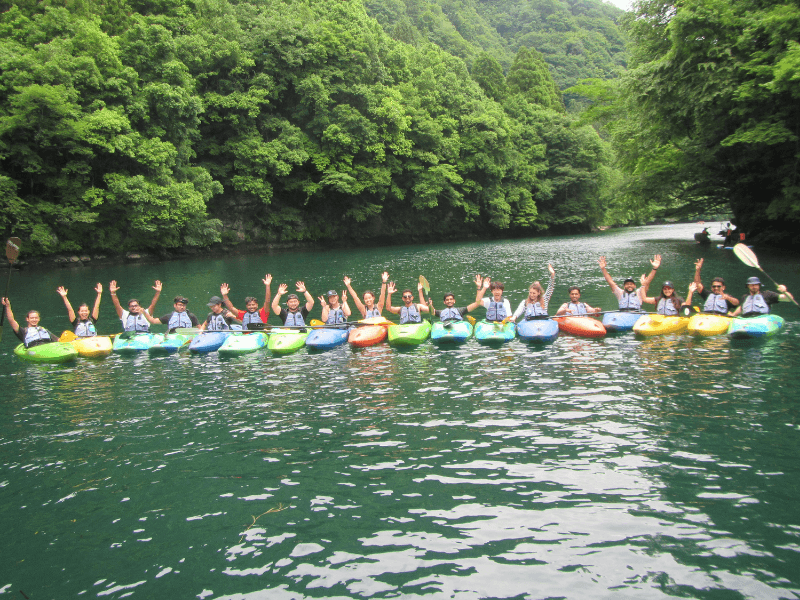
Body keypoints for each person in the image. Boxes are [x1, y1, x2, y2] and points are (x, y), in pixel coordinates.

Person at [730, 277, 794, 317]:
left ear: (759, 286)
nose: (754, 287)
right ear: (748, 286)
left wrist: (784, 291)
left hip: (762, 318)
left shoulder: (767, 294)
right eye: (751, 285)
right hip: (746, 319)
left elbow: (788, 299)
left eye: (756, 285)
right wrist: (733, 315)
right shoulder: (745, 297)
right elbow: (741, 307)